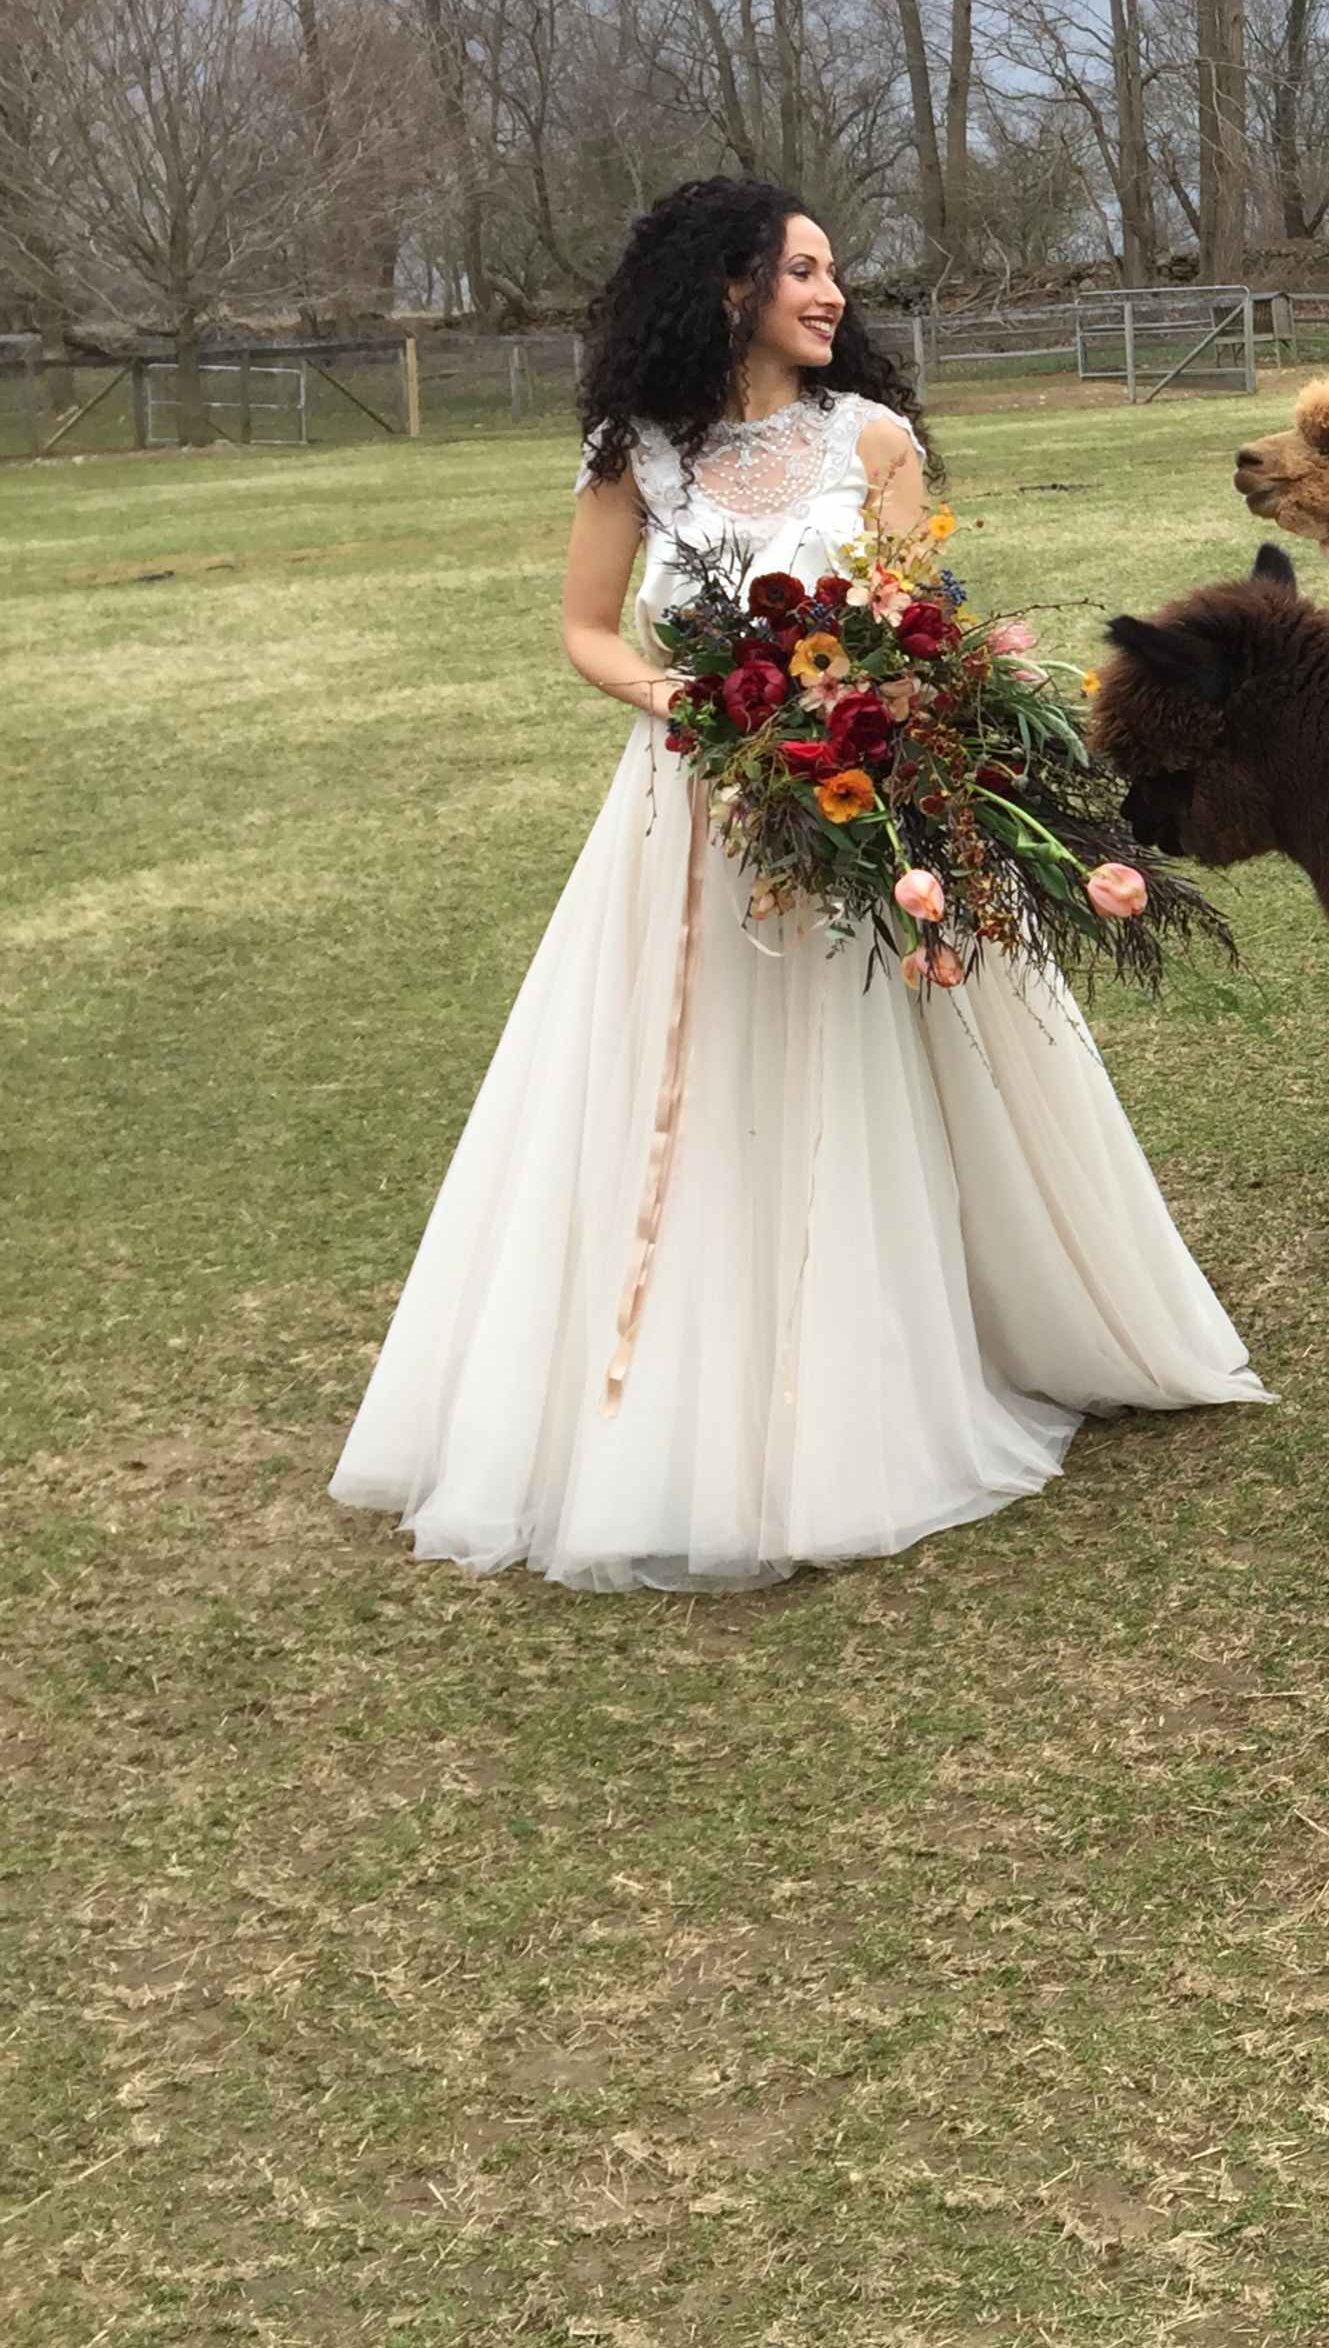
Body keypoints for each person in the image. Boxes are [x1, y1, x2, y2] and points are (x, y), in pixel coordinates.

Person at [333, 176, 1267, 1588]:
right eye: (805, 271)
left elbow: (912, 621)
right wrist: (689, 703)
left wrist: (873, 730)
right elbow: (586, 630)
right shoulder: (636, 454)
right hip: (684, 818)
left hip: (854, 807)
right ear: (730, 287)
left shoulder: (873, 442)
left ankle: (888, 1374)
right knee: (676, 1087)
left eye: (837, 274)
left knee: (862, 1071)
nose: (833, 295)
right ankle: (668, 1395)